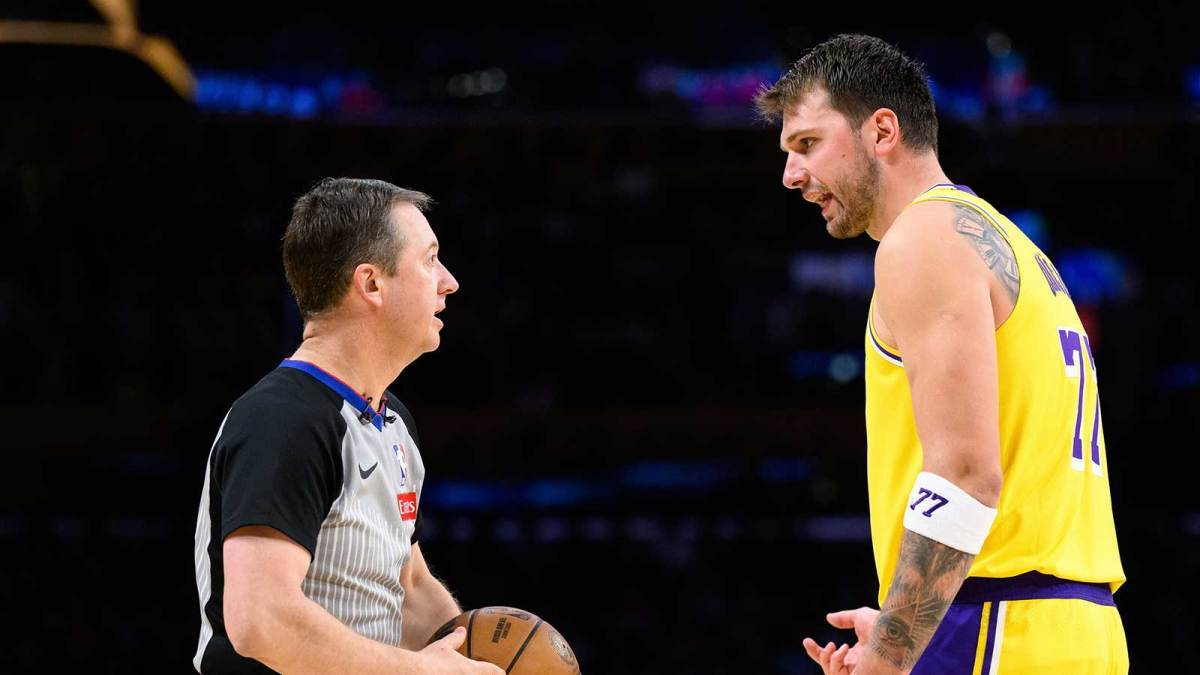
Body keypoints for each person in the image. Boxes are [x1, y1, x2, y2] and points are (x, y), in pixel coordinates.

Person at [756, 34, 1127, 674]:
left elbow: (964, 475)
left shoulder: (922, 239)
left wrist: (893, 651)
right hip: (1066, 625)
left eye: (808, 144)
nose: (790, 175)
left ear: (882, 131)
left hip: (996, 625)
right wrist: (904, 625)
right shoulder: (1008, 244)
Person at [192, 177, 502, 674]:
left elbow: (410, 587)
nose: (449, 281)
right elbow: (261, 620)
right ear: (371, 284)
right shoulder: (284, 419)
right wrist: (424, 672)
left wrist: (486, 662)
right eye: (429, 260)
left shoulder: (391, 421)